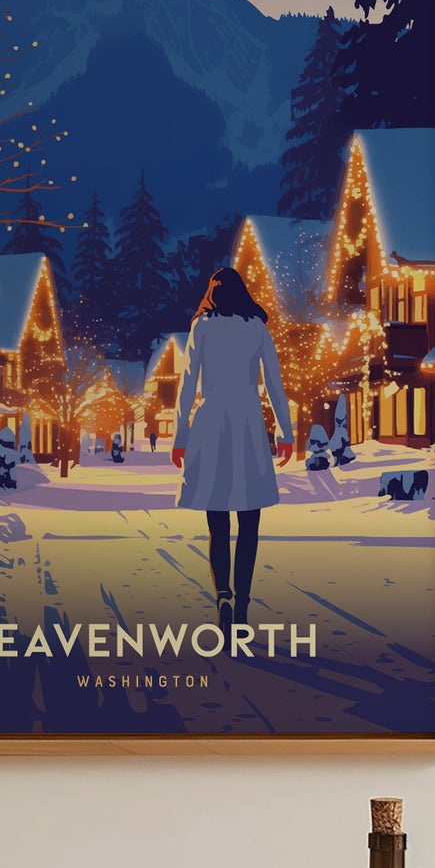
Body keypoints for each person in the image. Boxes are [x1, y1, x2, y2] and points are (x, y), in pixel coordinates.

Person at [169, 265, 292, 628]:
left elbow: (187, 383)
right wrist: (285, 432)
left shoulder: (201, 328)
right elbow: (274, 383)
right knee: (249, 520)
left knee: (218, 520)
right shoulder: (257, 328)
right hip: (248, 423)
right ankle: (242, 602)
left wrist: (181, 436)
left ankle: (221, 593)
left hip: (211, 422)